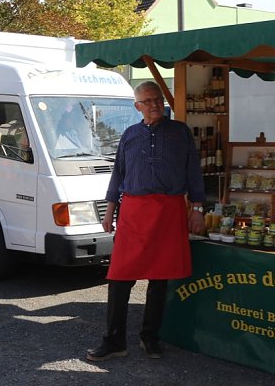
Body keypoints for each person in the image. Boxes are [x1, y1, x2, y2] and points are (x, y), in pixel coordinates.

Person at [87, 81, 205, 362]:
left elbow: (193, 171)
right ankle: (114, 340)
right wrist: (109, 210)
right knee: (119, 277)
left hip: (169, 209)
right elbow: (118, 174)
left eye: (157, 99)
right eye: (147, 101)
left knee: (159, 278)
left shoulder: (180, 132)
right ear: (137, 106)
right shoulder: (129, 134)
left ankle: (149, 337)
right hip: (133, 212)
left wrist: (198, 207)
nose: (154, 105)